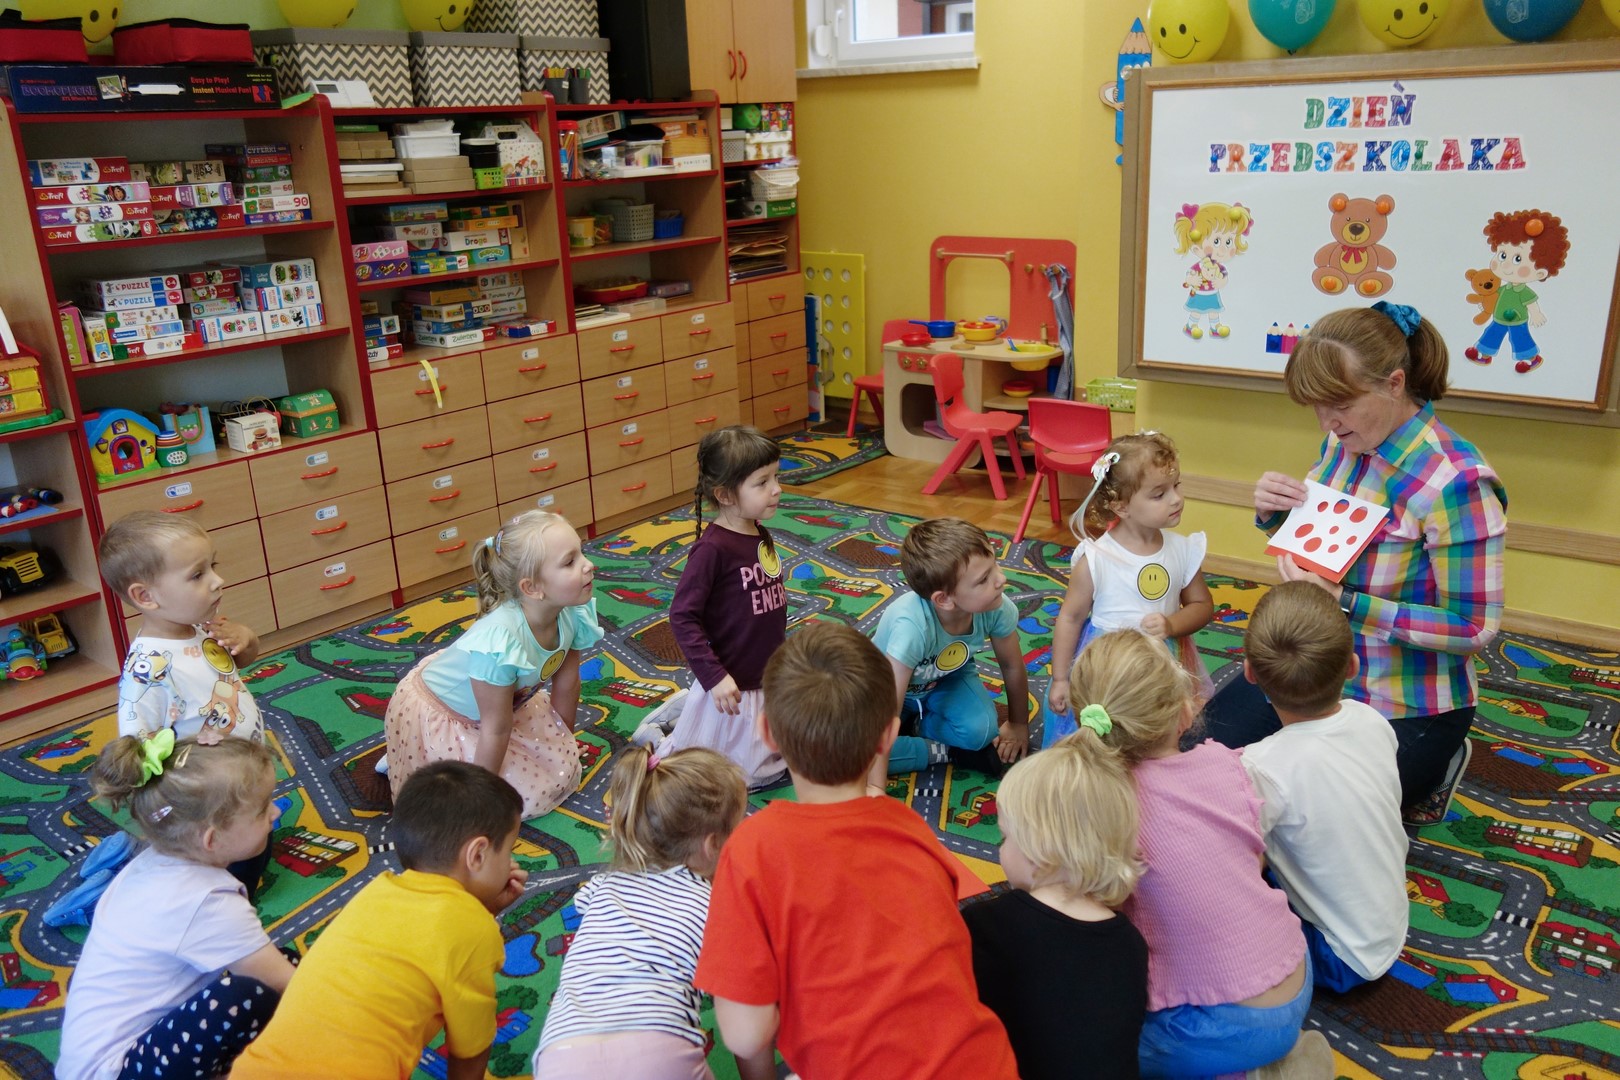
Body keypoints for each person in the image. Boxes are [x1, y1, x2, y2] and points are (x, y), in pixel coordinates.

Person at [1206, 301, 1507, 827]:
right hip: (1314, 672)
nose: (1328, 422)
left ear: (1394, 383)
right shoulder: (1342, 442)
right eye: (1316, 407)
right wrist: (1276, 518)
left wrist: (1347, 603)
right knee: (1197, 760)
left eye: (1340, 404)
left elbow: (1474, 627)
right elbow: (1326, 551)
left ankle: (1436, 763)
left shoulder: (1457, 484)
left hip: (1407, 703)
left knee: (1305, 821)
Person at [695, 621, 1018, 1080]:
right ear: (888, 737)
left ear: (766, 732)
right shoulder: (914, 830)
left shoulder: (751, 849)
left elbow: (747, 1036)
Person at [1069, 630, 1318, 1078]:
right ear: (1185, 712)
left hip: (1221, 1026)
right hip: (1297, 975)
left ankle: (1247, 1070)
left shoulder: (1105, 808)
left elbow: (1092, 921)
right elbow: (1253, 862)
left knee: (1081, 1038)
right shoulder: (1225, 762)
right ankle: (1268, 1059)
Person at [232, 761, 526, 1080]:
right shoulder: (474, 932)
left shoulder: (376, 892)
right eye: (508, 850)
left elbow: (439, 934)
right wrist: (482, 920)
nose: (510, 861)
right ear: (477, 854)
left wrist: (481, 909)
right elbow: (471, 1046)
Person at [58, 735, 293, 1080]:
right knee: (248, 994)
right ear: (211, 838)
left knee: (275, 964)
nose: (275, 812)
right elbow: (289, 985)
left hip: (97, 1061)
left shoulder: (149, 864)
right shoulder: (208, 902)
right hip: (117, 1072)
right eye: (262, 809)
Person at [533, 745, 747, 1079]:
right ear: (713, 845)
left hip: (561, 1054)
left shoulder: (603, 885)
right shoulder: (714, 905)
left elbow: (582, 903)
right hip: (659, 1053)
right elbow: (741, 1012)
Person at [1240, 581, 1408, 993]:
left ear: (1249, 674)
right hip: (1389, 929)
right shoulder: (1371, 719)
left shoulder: (1259, 766)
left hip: (1337, 956)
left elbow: (1236, 864)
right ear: (1352, 666)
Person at [384, 510, 600, 818]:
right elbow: (496, 728)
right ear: (532, 588)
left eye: (581, 553)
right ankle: (416, 751)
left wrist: (563, 744)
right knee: (521, 798)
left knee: (559, 767)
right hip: (445, 713)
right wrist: (482, 800)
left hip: (504, 704)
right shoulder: (499, 642)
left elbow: (568, 685)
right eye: (570, 562)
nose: (588, 564)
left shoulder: (571, 612)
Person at [100, 511, 270, 896]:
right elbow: (135, 749)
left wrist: (246, 638)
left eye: (213, 566)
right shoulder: (148, 670)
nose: (217, 580)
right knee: (231, 876)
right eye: (197, 575)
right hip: (207, 798)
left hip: (239, 771)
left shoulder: (199, 627)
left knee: (254, 838)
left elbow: (239, 661)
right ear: (145, 597)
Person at [962, 733, 1150, 1079]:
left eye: (1006, 837)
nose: (1001, 849)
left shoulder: (986, 925)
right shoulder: (1130, 942)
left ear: (1040, 852)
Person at [636, 426, 788, 788]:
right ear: (725, 495)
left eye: (776, 477)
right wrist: (715, 677)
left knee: (774, 757)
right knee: (744, 776)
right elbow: (682, 616)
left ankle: (684, 707)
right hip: (731, 685)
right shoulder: (712, 550)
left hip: (763, 673)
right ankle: (660, 730)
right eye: (762, 482)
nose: (777, 489)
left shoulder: (756, 530)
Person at [1045, 431, 1213, 748]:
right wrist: (1061, 678)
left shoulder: (1183, 550)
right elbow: (1070, 618)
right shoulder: (1096, 558)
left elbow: (1202, 606)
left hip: (1160, 664)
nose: (1176, 499)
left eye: (1176, 486)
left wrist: (1171, 624)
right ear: (1121, 507)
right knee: (1107, 733)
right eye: (1159, 494)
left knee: (1156, 730)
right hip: (1109, 667)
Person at [869, 517, 1029, 787]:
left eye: (995, 565)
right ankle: (942, 751)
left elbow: (1011, 666)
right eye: (984, 579)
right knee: (844, 752)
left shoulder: (997, 607)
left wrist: (1018, 724)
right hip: (882, 692)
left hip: (946, 678)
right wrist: (875, 786)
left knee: (981, 731)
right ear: (944, 599)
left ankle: (919, 727)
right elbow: (888, 710)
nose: (1001, 579)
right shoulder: (912, 628)